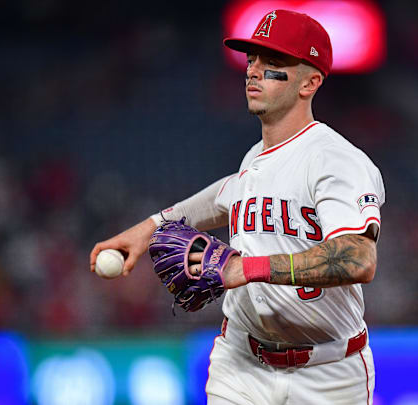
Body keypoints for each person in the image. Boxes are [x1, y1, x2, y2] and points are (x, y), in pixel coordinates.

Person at [90, 9, 385, 404]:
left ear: (310, 82)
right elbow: (226, 195)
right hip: (241, 363)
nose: (254, 71)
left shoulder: (336, 160)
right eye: (252, 60)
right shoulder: (256, 158)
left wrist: (244, 268)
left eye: (272, 62)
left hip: (329, 374)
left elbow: (357, 260)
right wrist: (149, 228)